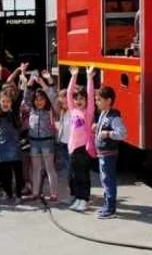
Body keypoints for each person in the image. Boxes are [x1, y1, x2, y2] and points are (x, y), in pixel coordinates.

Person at [21, 68, 59, 202]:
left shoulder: (50, 109)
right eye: (36, 99)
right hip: (34, 142)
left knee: (49, 168)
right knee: (36, 168)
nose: (39, 102)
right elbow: (26, 97)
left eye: (41, 99)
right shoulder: (31, 109)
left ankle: (54, 193)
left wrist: (45, 81)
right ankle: (35, 192)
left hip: (47, 141)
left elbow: (53, 94)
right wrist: (31, 80)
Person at [94, 86, 128, 219]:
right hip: (102, 153)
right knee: (104, 179)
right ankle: (107, 204)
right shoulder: (104, 113)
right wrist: (97, 127)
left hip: (108, 154)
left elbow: (122, 133)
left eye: (99, 100)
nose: (97, 102)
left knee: (108, 180)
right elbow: (103, 126)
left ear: (108, 100)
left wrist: (108, 133)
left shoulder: (114, 117)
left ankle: (111, 207)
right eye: (96, 100)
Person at [66, 66, 96, 212]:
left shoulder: (88, 112)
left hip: (83, 148)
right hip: (72, 148)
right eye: (76, 98)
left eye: (81, 98)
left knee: (83, 175)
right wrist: (74, 76)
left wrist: (89, 78)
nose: (78, 101)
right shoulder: (73, 110)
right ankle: (77, 198)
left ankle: (84, 199)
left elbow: (91, 96)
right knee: (74, 175)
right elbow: (68, 93)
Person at [0, 93, 24, 204]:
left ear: (11, 103)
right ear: (0, 103)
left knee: (17, 173)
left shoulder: (14, 113)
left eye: (8, 101)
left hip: (15, 147)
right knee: (5, 172)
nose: (5, 103)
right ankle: (8, 192)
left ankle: (18, 195)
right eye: (3, 101)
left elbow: (19, 98)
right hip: (2, 147)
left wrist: (24, 86)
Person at [55, 89, 71, 173]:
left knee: (71, 166)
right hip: (63, 142)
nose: (64, 104)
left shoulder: (73, 111)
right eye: (62, 103)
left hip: (71, 144)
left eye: (65, 102)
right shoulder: (63, 112)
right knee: (68, 166)